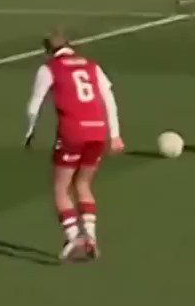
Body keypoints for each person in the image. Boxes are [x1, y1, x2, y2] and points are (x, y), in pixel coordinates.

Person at [24, 29, 124, 262]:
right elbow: (109, 99)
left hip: (72, 132)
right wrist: (115, 135)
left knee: (61, 188)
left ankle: (73, 237)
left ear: (47, 50)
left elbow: (34, 104)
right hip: (98, 131)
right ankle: (90, 236)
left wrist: (30, 132)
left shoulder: (49, 68)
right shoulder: (91, 66)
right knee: (83, 184)